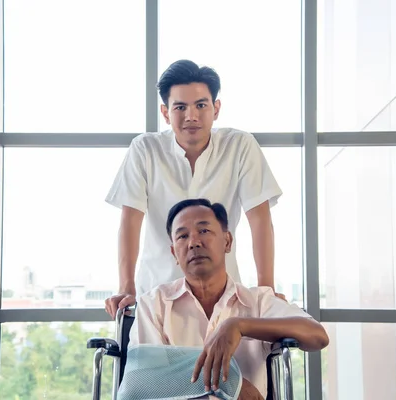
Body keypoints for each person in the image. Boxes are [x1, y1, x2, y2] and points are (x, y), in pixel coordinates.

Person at [105, 60, 283, 318]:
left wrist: (266, 290)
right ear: (166, 113)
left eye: (201, 105)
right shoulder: (145, 149)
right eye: (180, 107)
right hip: (158, 293)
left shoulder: (240, 146)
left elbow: (260, 219)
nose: (191, 116)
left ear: (216, 108)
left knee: (233, 355)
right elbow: (130, 221)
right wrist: (126, 286)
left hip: (223, 295)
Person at [127, 199, 329, 399]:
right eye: (182, 236)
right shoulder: (154, 304)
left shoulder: (258, 302)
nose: (193, 242)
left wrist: (238, 326)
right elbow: (143, 383)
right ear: (174, 253)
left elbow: (318, 336)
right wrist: (231, 384)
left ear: (227, 241)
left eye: (204, 231)